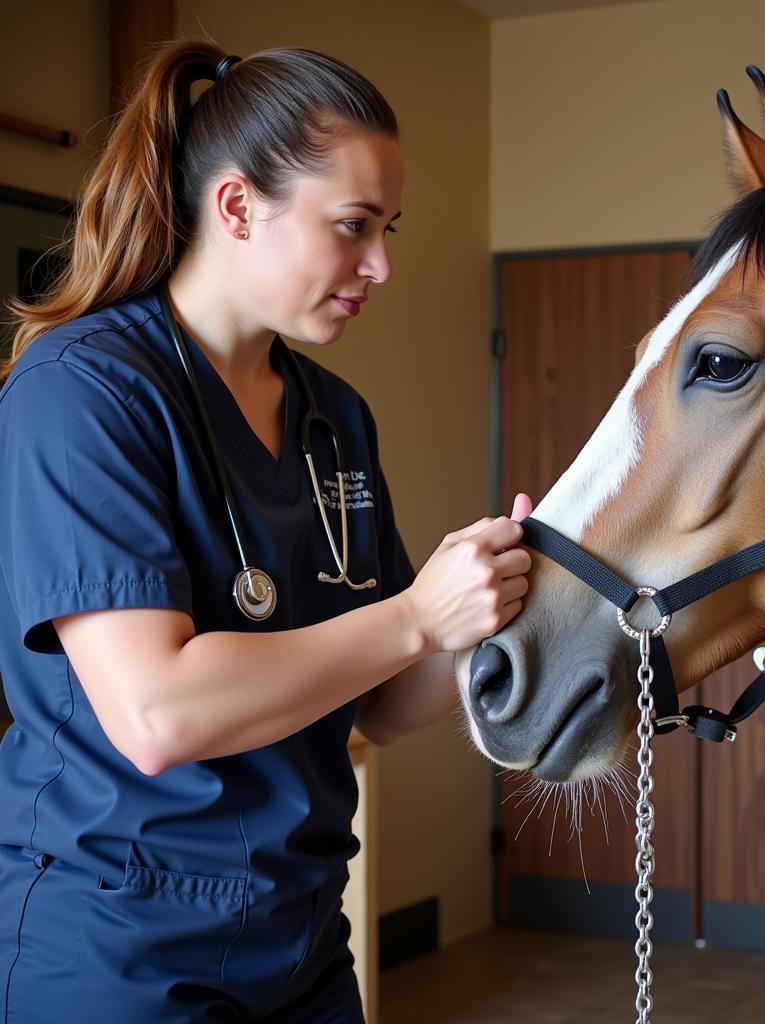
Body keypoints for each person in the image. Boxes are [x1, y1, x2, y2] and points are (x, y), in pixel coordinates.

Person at [0, 39, 531, 1023]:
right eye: (353, 227)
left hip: (302, 936)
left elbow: (382, 703)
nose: (381, 265)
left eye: (389, 230)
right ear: (238, 206)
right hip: (118, 941)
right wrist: (420, 614)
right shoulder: (82, 391)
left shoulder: (335, 416)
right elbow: (159, 714)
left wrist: (498, 610)